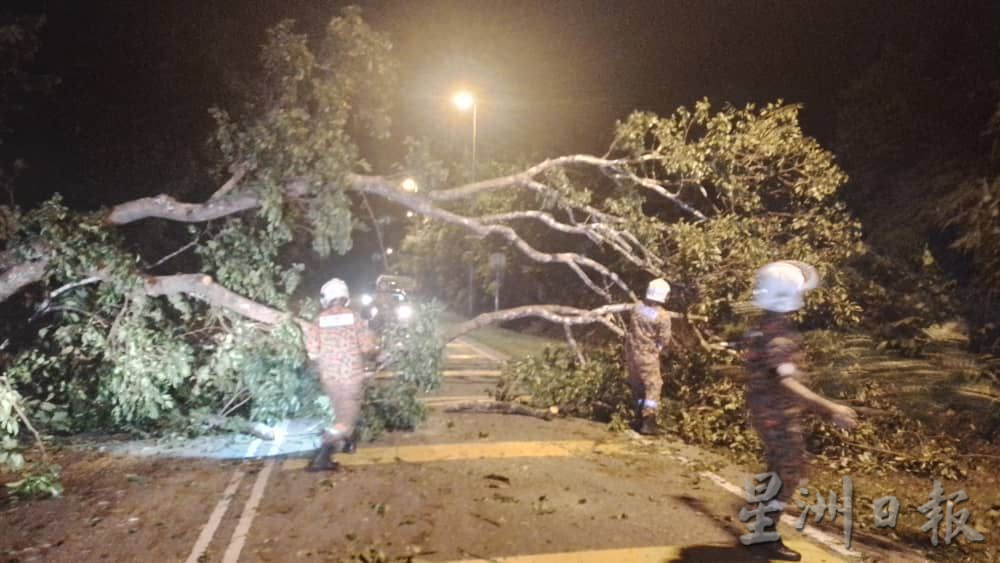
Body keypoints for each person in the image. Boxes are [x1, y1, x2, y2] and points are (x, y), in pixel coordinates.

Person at [742, 261, 859, 561]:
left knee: (778, 471)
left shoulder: (761, 328)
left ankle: (761, 531)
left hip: (767, 411)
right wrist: (829, 408)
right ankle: (763, 537)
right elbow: (787, 383)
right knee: (789, 472)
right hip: (776, 416)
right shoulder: (778, 337)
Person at [303, 278, 377, 472]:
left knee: (338, 413)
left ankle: (348, 442)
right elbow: (368, 346)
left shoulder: (319, 321)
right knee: (346, 416)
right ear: (345, 297)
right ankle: (323, 455)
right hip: (352, 378)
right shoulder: (355, 318)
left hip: (329, 378)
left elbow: (311, 351)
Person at [625, 278, 672, 435]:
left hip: (631, 353)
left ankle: (637, 415)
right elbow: (664, 339)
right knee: (653, 386)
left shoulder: (637, 307)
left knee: (637, 384)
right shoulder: (663, 316)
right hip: (647, 355)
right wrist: (658, 349)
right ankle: (648, 421)